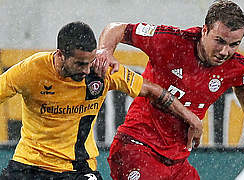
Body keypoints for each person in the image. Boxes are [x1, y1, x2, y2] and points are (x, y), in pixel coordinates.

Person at [0, 21, 202, 180]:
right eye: (80, 64)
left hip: (77, 168)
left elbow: (153, 90)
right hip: (28, 164)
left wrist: (190, 117)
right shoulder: (31, 70)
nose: (87, 70)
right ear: (60, 55)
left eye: (90, 62)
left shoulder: (102, 69)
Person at [95, 0, 244, 179]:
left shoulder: (235, 66)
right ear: (204, 30)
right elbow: (116, 29)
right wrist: (104, 51)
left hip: (178, 163)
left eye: (233, 44)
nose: (224, 51)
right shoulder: (170, 41)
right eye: (219, 41)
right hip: (138, 147)